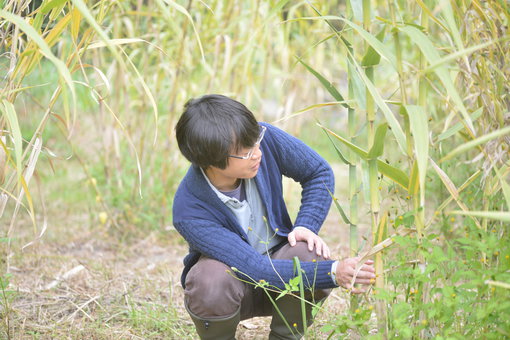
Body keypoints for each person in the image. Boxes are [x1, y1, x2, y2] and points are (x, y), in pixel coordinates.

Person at [173, 94, 375, 340]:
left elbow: (318, 172)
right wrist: (334, 272)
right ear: (210, 162)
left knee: (308, 253)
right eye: (245, 152)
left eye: (255, 140)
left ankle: (285, 337)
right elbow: (253, 268)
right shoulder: (189, 209)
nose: (257, 153)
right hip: (234, 284)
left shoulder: (263, 141)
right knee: (209, 281)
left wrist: (306, 226)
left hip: (283, 277)